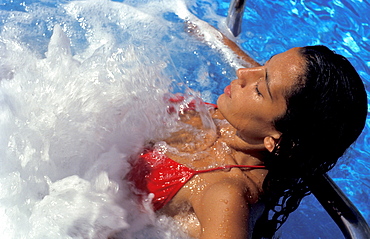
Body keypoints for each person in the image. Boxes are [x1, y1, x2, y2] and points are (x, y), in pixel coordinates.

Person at [126, 19, 368, 239]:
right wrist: (213, 37)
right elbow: (278, 80)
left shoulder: (224, 195)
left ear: (276, 138)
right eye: (263, 66)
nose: (243, 73)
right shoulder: (250, 123)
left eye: (260, 89)